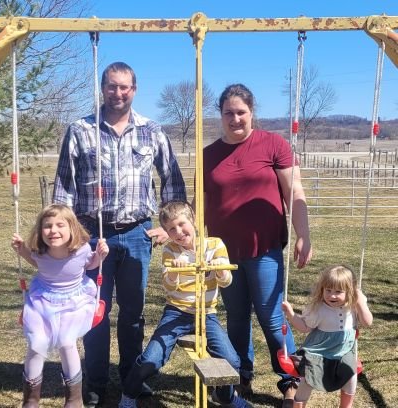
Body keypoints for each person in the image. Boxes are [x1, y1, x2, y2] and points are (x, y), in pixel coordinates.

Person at [52, 61, 186, 407]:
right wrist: (63, 237)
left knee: (133, 313)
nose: (118, 93)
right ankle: (94, 384)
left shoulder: (152, 131)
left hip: (137, 235)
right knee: (94, 310)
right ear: (102, 88)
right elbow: (64, 187)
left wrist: (169, 226)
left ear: (135, 90)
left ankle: (132, 380)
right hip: (91, 236)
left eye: (125, 87)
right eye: (112, 86)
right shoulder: (80, 130)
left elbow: (171, 179)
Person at [203, 83, 312, 406]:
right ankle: (241, 377)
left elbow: (295, 192)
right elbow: (201, 202)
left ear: (252, 113)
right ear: (220, 115)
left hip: (264, 248)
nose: (235, 119)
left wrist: (304, 234)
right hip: (223, 254)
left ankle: (290, 378)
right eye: (228, 113)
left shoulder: (273, 145)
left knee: (272, 316)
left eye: (241, 112)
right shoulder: (208, 155)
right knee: (236, 317)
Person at [119, 201, 252, 408]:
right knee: (151, 361)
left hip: (206, 313)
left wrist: (220, 270)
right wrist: (175, 271)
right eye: (172, 229)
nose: (179, 232)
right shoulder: (170, 251)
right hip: (177, 312)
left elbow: (226, 282)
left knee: (232, 361)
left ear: (193, 220)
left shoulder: (215, 245)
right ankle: (128, 394)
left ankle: (225, 397)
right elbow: (170, 288)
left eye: (182, 224)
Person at [11, 204, 109, 408]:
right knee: (36, 344)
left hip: (75, 301)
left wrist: (100, 256)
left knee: (67, 342)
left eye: (60, 225)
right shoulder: (40, 251)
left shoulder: (81, 249)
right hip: (43, 301)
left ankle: (74, 399)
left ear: (72, 228)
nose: (53, 230)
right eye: (47, 226)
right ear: (40, 231)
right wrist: (22, 250)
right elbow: (37, 263)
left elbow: (91, 264)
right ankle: (30, 399)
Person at [282, 265, 373, 408]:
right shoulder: (319, 309)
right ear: (322, 289)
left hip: (344, 352)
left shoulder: (354, 307)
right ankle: (298, 405)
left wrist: (361, 302)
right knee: (308, 379)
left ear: (350, 292)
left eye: (338, 291)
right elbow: (305, 328)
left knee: (351, 374)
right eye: (328, 290)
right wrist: (291, 315)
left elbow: (367, 322)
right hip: (318, 353)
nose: (332, 295)